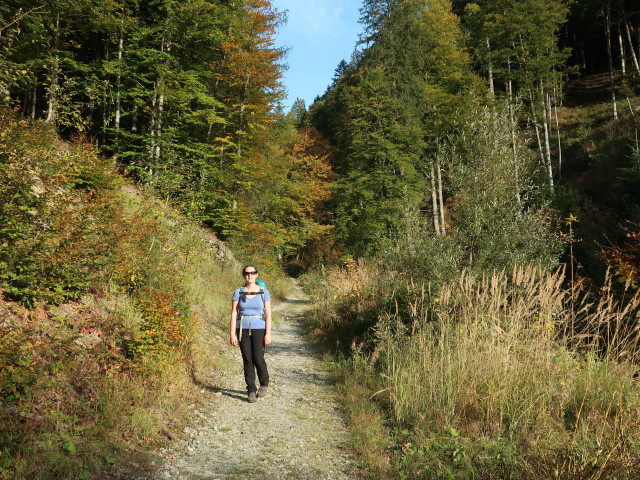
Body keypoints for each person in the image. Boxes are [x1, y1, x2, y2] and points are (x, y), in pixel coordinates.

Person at [230, 265, 272, 403]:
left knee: (258, 358)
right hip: (242, 328)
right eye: (247, 273)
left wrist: (268, 333)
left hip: (259, 327)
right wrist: (232, 334)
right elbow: (234, 313)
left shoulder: (264, 292)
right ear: (244, 275)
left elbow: (268, 314)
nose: (250, 275)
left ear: (257, 274)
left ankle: (264, 383)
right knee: (247, 359)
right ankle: (251, 390)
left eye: (252, 272)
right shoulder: (239, 292)